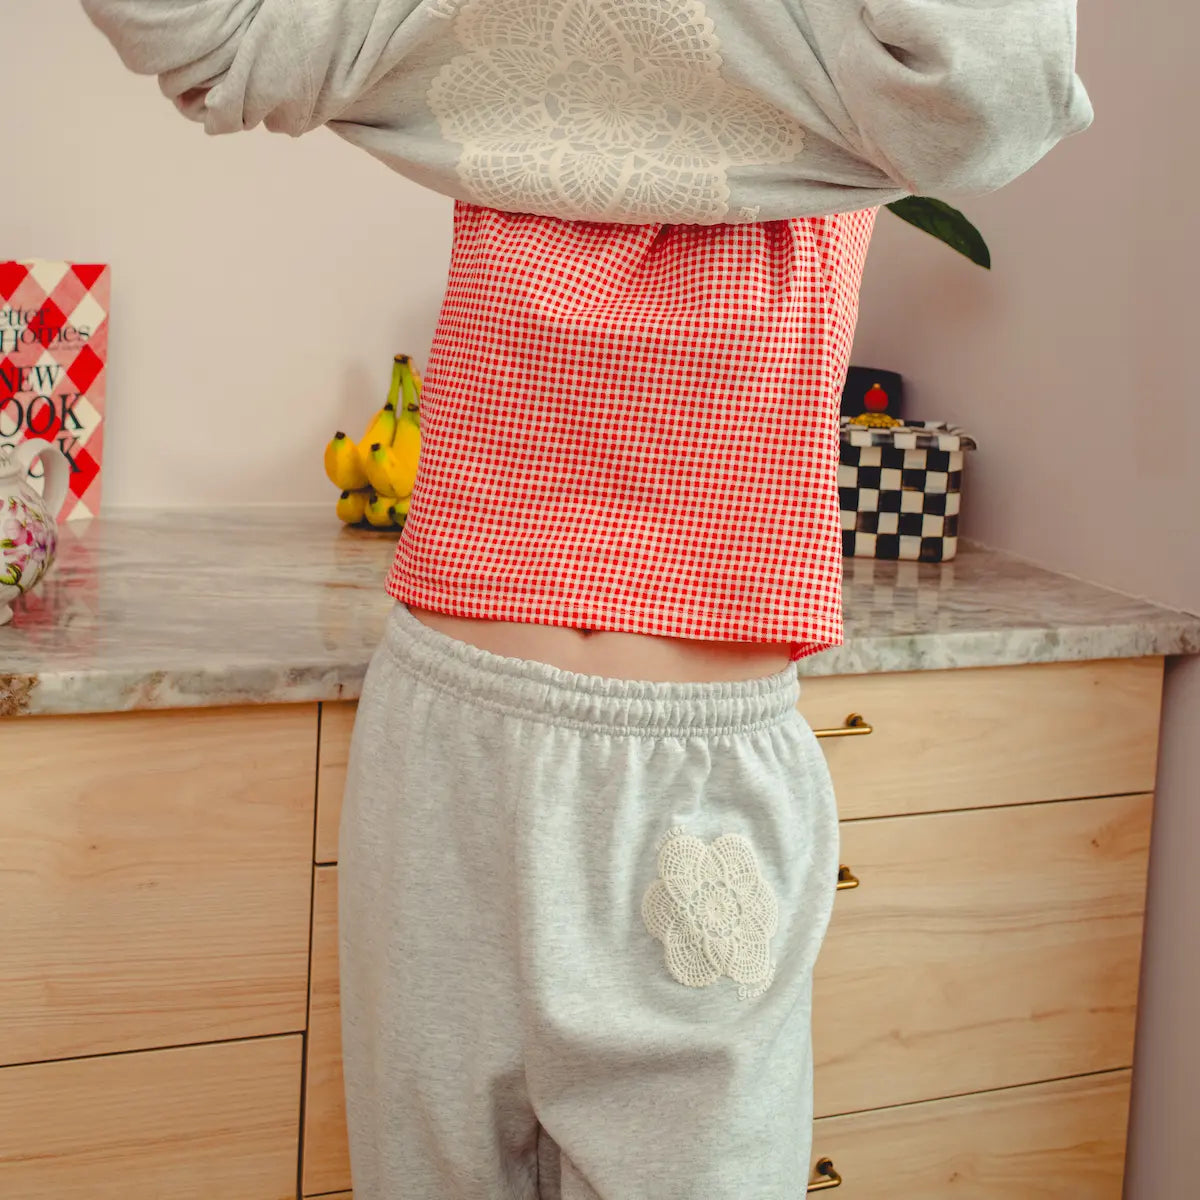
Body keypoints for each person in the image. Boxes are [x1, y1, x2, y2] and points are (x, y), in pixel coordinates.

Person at [80, 2, 1093, 1196]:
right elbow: (198, 34)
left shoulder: (860, 59)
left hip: (670, 769)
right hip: (449, 735)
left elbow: (1004, 89)